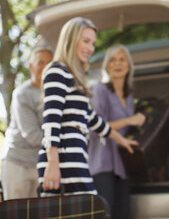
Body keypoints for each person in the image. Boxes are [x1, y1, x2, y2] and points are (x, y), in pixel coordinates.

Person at [37, 17, 139, 196]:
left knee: (88, 209)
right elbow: (51, 119)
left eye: (92, 43)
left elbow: (92, 119)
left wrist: (120, 139)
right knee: (92, 208)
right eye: (86, 41)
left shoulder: (74, 77)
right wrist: (52, 163)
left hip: (76, 157)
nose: (91, 48)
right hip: (63, 159)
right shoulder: (57, 70)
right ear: (70, 40)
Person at [88, 44, 146, 219]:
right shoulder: (100, 90)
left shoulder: (128, 96)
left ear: (128, 65)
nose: (117, 64)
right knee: (105, 214)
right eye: (112, 60)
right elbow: (96, 126)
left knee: (122, 214)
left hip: (123, 164)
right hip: (102, 163)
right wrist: (130, 119)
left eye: (122, 59)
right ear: (107, 66)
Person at [1, 46, 53, 200]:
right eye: (41, 62)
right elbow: (32, 135)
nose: (45, 67)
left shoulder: (54, 92)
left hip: (41, 163)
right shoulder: (22, 94)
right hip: (17, 163)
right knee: (16, 212)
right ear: (31, 66)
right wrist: (61, 142)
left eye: (49, 63)